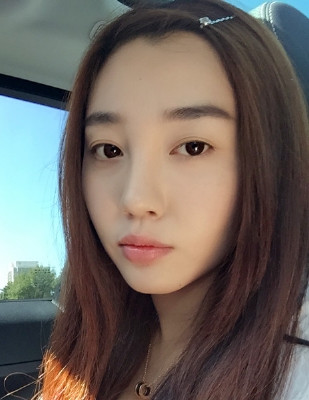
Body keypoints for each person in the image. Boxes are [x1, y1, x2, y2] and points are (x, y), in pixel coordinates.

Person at [36, 0, 309, 399]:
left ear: (270, 161)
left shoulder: (295, 370)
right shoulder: (96, 336)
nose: (136, 199)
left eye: (193, 147)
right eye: (109, 150)